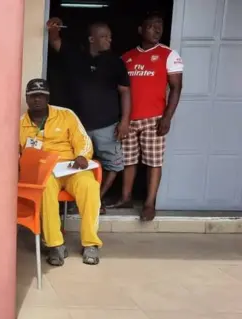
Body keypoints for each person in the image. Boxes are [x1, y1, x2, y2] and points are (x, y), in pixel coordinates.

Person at [46, 18, 131, 213]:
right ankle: (76, 200)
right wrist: (53, 27)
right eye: (103, 37)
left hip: (107, 124)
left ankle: (96, 198)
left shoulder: (115, 63)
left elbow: (125, 91)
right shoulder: (76, 56)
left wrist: (125, 120)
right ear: (92, 39)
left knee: (114, 164)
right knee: (74, 163)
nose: (109, 40)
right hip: (78, 126)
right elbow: (55, 41)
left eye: (110, 36)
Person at [19, 79, 102, 266]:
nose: (37, 100)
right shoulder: (20, 124)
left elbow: (83, 140)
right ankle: (55, 244)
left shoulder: (66, 115)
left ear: (48, 97)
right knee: (44, 189)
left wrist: (82, 155)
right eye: (33, 96)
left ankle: (90, 243)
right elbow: (15, 152)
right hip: (44, 172)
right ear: (26, 99)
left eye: (41, 96)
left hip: (71, 168)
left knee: (90, 186)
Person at [110, 12, 183, 221]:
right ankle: (126, 197)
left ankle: (150, 203)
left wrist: (167, 117)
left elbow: (176, 88)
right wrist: (122, 118)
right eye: (151, 26)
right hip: (129, 119)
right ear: (141, 30)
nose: (157, 30)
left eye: (159, 26)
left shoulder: (169, 55)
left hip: (154, 118)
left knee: (153, 162)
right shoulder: (127, 57)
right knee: (128, 160)